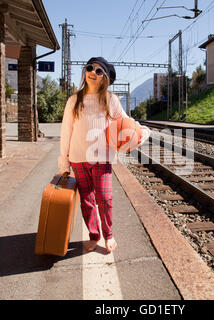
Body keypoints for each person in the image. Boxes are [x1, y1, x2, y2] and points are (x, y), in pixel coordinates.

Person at [58, 57, 151, 253]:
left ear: (105, 78)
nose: (93, 72)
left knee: (105, 198)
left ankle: (109, 234)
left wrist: (143, 131)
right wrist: (64, 162)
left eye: (99, 71)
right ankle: (94, 235)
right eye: (90, 68)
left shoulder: (111, 100)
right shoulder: (74, 100)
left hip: (102, 157)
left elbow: (125, 121)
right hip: (78, 157)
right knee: (87, 200)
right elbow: (66, 131)